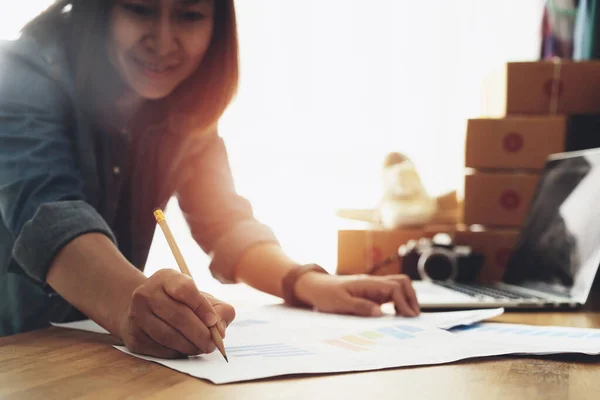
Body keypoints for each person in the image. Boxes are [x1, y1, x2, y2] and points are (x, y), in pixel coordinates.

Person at [0, 0, 420, 359]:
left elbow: (223, 221)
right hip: (18, 358)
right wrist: (132, 303)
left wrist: (307, 282)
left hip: (105, 362)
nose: (163, 43)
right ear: (100, 9)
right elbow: (45, 214)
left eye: (190, 15)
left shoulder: (187, 96)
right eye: (139, 8)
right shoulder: (19, 72)